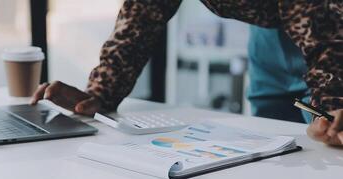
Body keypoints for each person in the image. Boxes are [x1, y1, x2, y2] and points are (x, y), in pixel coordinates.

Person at [31, 1, 343, 145]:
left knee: (329, 138)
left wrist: (332, 102)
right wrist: (101, 91)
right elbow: (142, 14)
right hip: (268, 38)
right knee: (274, 147)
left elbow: (322, 28)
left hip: (332, 27)